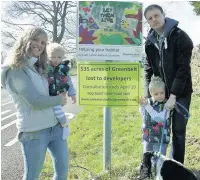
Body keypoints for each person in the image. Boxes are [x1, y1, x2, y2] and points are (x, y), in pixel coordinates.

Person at [1, 27, 69, 180]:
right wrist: (59, 99)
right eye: (36, 39)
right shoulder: (15, 70)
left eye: (44, 42)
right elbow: (35, 102)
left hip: (56, 128)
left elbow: (48, 93)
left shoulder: (39, 67)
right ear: (25, 40)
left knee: (62, 172)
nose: (40, 44)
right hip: (34, 133)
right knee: (32, 176)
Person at [144, 4, 193, 164]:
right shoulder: (149, 42)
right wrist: (148, 94)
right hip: (159, 93)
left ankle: (177, 166)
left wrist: (173, 96)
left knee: (178, 130)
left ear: (163, 14)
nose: (154, 20)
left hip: (180, 92)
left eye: (156, 15)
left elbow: (183, 69)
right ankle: (157, 165)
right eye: (150, 18)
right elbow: (148, 69)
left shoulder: (180, 37)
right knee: (158, 131)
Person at [46, 42, 76, 140]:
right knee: (54, 112)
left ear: (63, 58)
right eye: (53, 57)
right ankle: (61, 125)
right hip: (49, 95)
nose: (56, 60)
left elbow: (69, 82)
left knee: (57, 110)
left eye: (59, 57)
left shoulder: (64, 69)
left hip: (60, 94)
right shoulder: (45, 67)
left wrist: (72, 94)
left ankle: (64, 125)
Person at [139, 76, 172, 155]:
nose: (160, 95)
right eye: (156, 94)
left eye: (162, 93)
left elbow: (159, 119)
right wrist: (142, 106)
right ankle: (147, 167)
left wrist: (147, 106)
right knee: (147, 157)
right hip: (148, 137)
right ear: (151, 94)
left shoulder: (167, 105)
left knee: (159, 159)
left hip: (161, 139)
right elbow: (143, 114)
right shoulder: (149, 103)